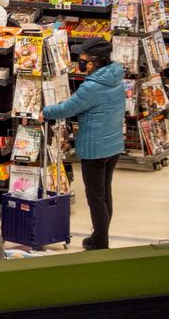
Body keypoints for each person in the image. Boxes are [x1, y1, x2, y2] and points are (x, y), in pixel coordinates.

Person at [40, 38, 124, 251]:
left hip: (94, 149)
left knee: (95, 198)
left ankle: (100, 242)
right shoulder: (114, 77)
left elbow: (68, 108)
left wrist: (44, 111)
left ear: (95, 62)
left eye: (83, 60)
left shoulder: (92, 87)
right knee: (105, 193)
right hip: (112, 145)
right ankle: (99, 235)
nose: (80, 63)